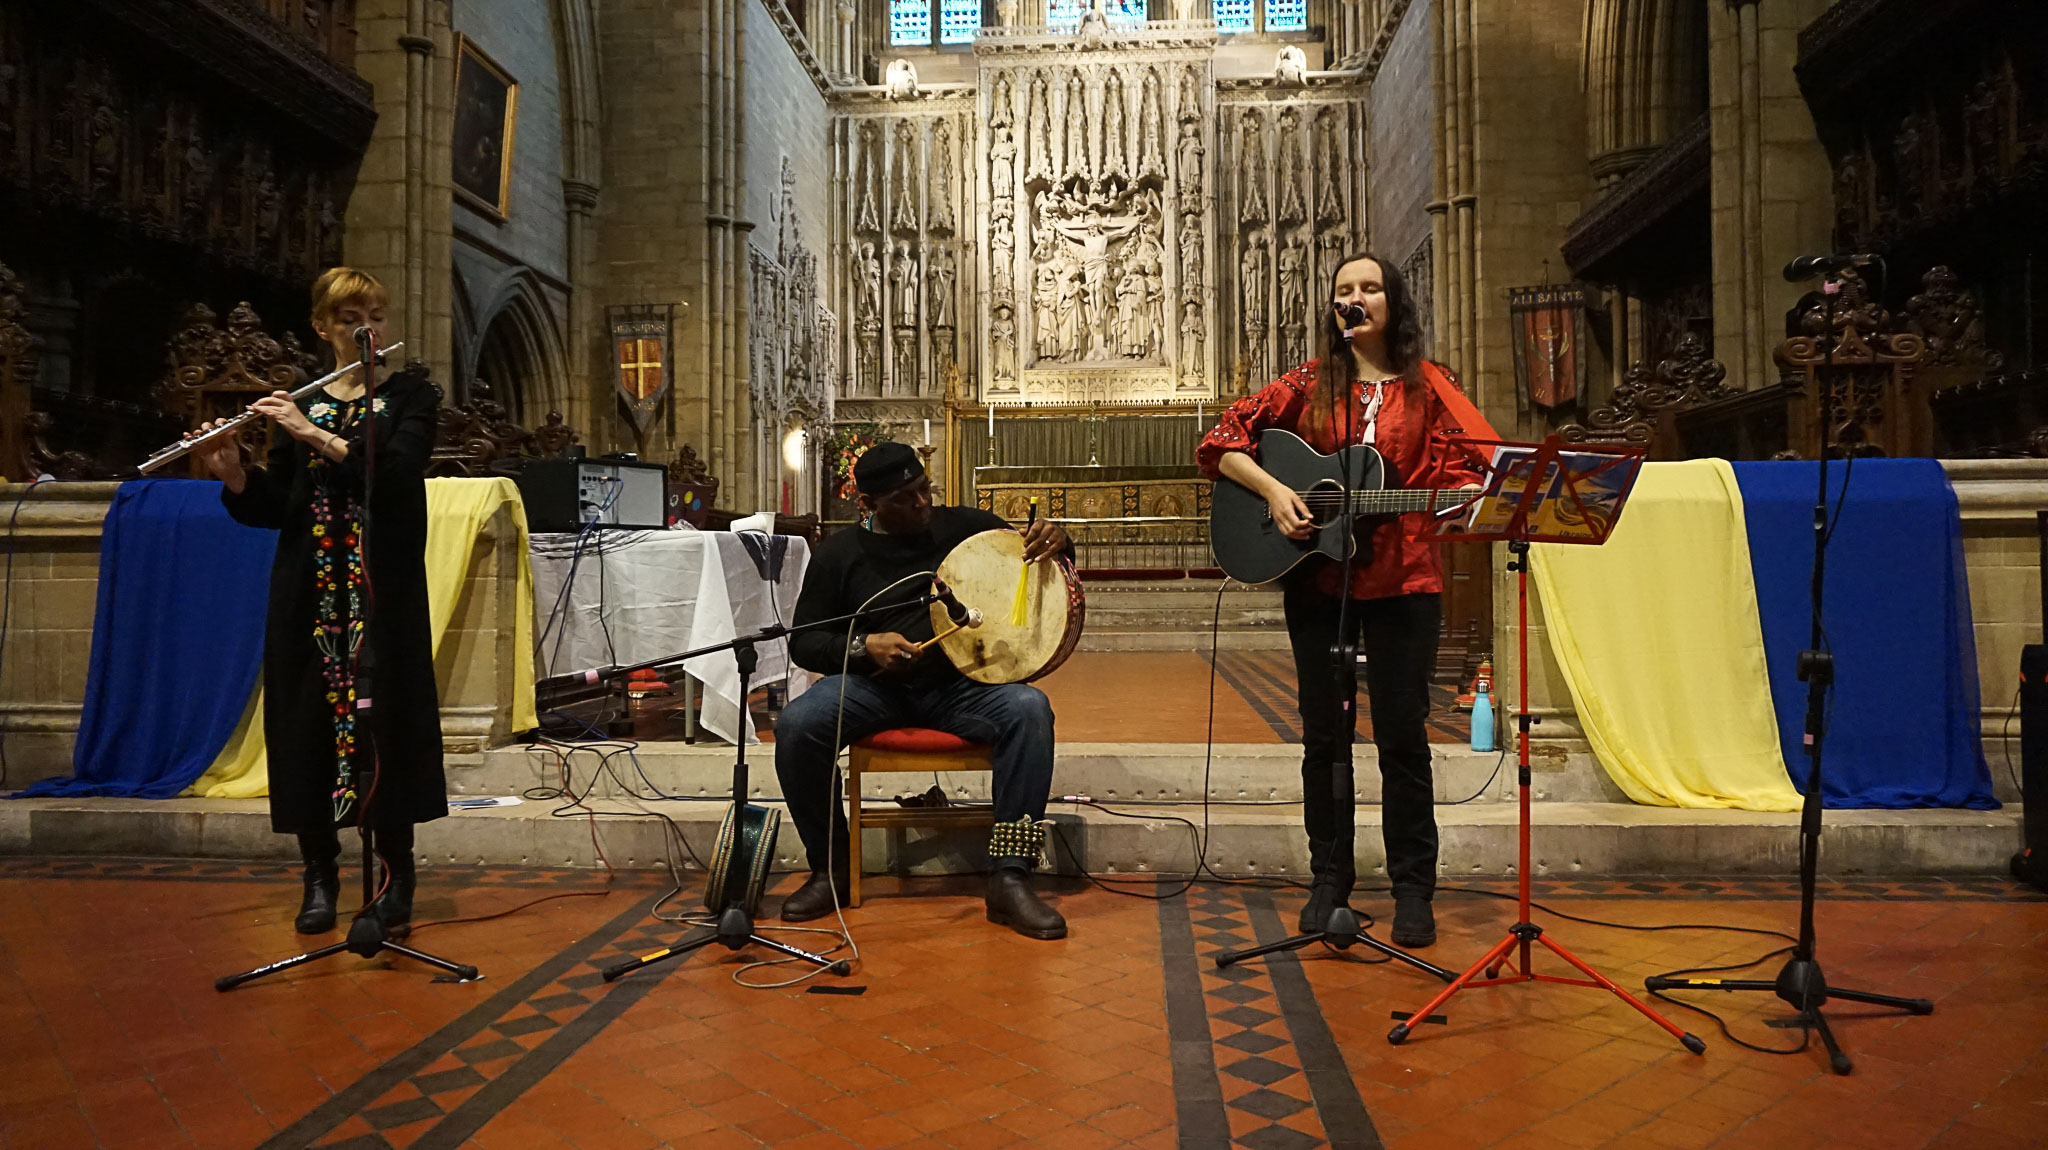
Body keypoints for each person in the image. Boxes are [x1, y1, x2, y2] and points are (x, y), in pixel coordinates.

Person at [1196, 251, 1493, 948]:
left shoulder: (1432, 386)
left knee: (1402, 737)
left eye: (1369, 288)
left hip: (1405, 581)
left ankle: (1413, 888)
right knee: (1323, 737)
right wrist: (1277, 492)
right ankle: (1328, 879)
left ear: (1394, 303)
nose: (1354, 299)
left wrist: (1459, 499)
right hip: (1321, 582)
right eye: (1343, 290)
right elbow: (1220, 443)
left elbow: (1472, 470)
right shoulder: (1308, 383)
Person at [195, 267, 446, 937]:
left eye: (375, 315)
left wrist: (307, 431)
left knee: (386, 724)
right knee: (306, 723)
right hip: (310, 590)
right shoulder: (301, 400)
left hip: (380, 591)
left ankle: (395, 878)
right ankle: (319, 876)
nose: (366, 328)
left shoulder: (411, 396)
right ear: (321, 327)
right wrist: (235, 473)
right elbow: (279, 506)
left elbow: (394, 474)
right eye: (348, 318)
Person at [775, 442, 1071, 939]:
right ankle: (831, 868)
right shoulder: (838, 555)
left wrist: (1059, 540)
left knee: (1029, 710)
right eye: (903, 498)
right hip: (873, 689)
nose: (922, 504)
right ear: (867, 504)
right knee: (799, 724)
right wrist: (865, 647)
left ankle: (1010, 877)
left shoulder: (967, 526)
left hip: (962, 686)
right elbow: (805, 642)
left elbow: (1034, 559)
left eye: (924, 489)